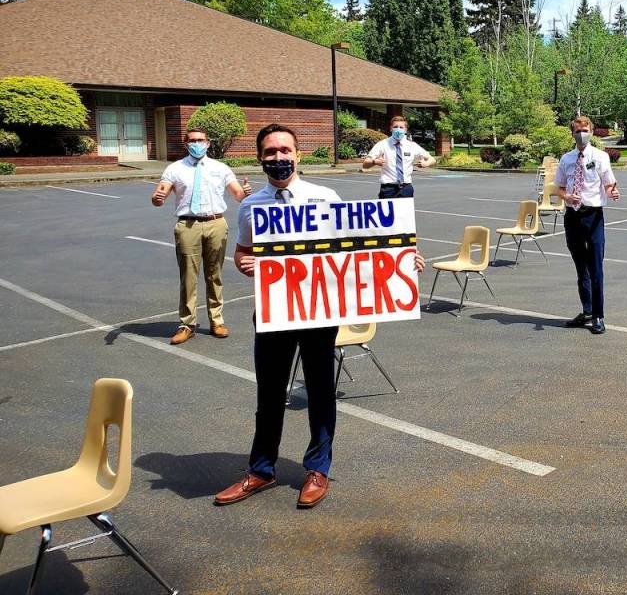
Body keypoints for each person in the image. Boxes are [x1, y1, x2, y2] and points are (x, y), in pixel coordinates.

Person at [215, 123, 425, 510]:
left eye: (285, 150)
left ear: (298, 154)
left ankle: (317, 469)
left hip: (317, 311)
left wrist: (400, 259)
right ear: (261, 158)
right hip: (276, 311)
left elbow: (359, 247)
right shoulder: (251, 207)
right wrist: (245, 264)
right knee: (270, 394)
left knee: (321, 392)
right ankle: (261, 469)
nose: (278, 158)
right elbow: (243, 251)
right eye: (270, 152)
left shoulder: (324, 196)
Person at [151, 128, 251, 346]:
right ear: (186, 144)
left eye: (201, 140)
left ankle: (217, 321)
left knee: (214, 274)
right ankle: (187, 324)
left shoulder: (220, 168)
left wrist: (247, 192)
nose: (197, 143)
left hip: (216, 223)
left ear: (208, 143)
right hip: (188, 225)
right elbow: (160, 195)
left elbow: (238, 195)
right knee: (188, 275)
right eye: (193, 140)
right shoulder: (175, 169)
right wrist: (157, 198)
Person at [555, 116, 620, 335]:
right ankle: (587, 310)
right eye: (577, 130)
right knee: (580, 267)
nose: (581, 134)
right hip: (572, 216)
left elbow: (609, 183)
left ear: (591, 132)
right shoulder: (566, 159)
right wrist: (567, 198)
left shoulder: (600, 157)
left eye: (585, 130)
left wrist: (613, 192)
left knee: (596, 269)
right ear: (572, 133)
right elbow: (559, 188)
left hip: (593, 216)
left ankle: (599, 316)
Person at [363, 115, 435, 199]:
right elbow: (365, 164)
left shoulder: (412, 146)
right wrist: (375, 162)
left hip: (406, 188)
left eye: (401, 127)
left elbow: (432, 159)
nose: (398, 129)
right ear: (391, 128)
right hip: (388, 188)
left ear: (405, 130)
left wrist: (426, 163)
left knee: (405, 212)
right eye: (395, 127)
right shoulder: (382, 144)